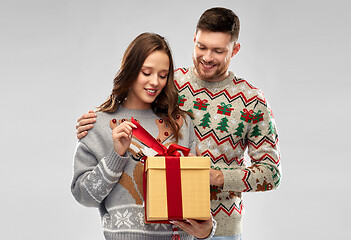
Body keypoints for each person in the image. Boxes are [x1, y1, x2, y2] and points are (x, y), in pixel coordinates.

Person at [76, 8, 281, 240]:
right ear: (194, 38)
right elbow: (134, 104)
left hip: (222, 228)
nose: (207, 57)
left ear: (235, 49)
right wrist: (95, 121)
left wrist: (216, 177)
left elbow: (272, 173)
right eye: (201, 46)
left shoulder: (252, 100)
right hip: (168, 224)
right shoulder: (171, 83)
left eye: (218, 50)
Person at [71, 32, 216, 240]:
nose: (155, 82)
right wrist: (116, 156)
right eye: (146, 72)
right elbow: (84, 196)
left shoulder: (181, 124)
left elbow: (193, 199)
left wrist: (207, 232)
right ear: (130, 70)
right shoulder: (98, 125)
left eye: (163, 75)